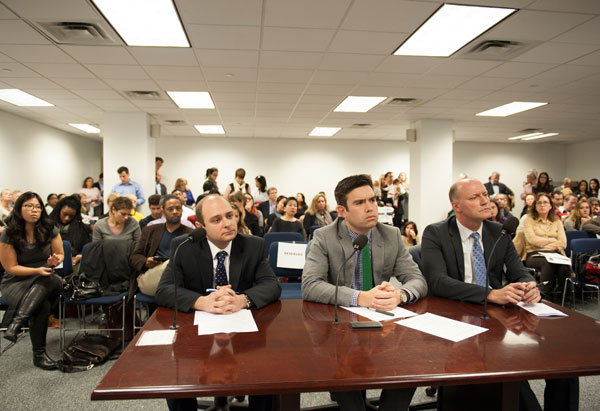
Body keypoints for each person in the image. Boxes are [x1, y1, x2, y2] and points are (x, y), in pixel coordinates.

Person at [421, 180, 577, 411]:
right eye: (475, 197)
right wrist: (491, 293)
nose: (485, 200)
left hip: (498, 314)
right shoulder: (436, 232)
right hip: (454, 314)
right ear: (457, 206)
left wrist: (528, 286)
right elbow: (438, 282)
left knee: (565, 365)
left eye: (485, 194)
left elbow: (518, 271)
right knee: (511, 375)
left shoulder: (498, 231)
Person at [302, 174, 427, 411]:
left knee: (410, 362)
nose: (370, 207)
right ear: (342, 210)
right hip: (338, 327)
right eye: (359, 203)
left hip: (382, 322)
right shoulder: (324, 237)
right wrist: (360, 297)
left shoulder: (390, 235)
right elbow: (310, 285)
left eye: (372, 200)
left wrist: (400, 295)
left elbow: (416, 278)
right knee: (345, 373)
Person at [155, 194, 280, 411]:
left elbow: (271, 285)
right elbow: (165, 290)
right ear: (200, 225)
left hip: (243, 329)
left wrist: (243, 299)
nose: (228, 223)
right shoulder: (184, 246)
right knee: (176, 374)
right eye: (216, 220)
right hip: (196, 331)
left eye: (230, 216)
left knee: (267, 371)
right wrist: (201, 301)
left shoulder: (253, 245)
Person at [0, 192, 64, 370]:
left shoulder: (49, 228)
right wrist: (37, 270)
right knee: (41, 307)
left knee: (49, 278)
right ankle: (39, 356)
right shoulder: (9, 234)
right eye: (28, 206)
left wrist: (55, 260)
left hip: (47, 278)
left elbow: (60, 255)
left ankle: (17, 323)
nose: (34, 210)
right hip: (16, 282)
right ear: (19, 209)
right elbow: (10, 268)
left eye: (37, 206)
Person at [130, 194, 192, 297]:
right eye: (170, 209)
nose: (175, 212)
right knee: (169, 265)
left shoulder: (190, 234)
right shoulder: (150, 230)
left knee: (173, 265)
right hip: (153, 275)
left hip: (179, 278)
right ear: (163, 210)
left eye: (178, 208)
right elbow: (134, 257)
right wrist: (146, 262)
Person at [522, 193, 569, 296]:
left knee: (564, 266)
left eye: (545, 202)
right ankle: (544, 295)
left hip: (554, 253)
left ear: (550, 206)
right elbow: (532, 240)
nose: (542, 205)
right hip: (534, 254)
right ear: (535, 206)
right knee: (547, 263)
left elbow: (563, 243)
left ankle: (564, 296)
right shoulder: (529, 220)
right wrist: (552, 240)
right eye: (539, 203)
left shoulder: (557, 221)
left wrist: (544, 243)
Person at [48, 195, 91, 266]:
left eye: (71, 216)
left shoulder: (81, 228)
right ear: (59, 211)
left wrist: (79, 257)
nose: (67, 218)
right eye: (64, 214)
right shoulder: (47, 226)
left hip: (73, 264)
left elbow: (84, 248)